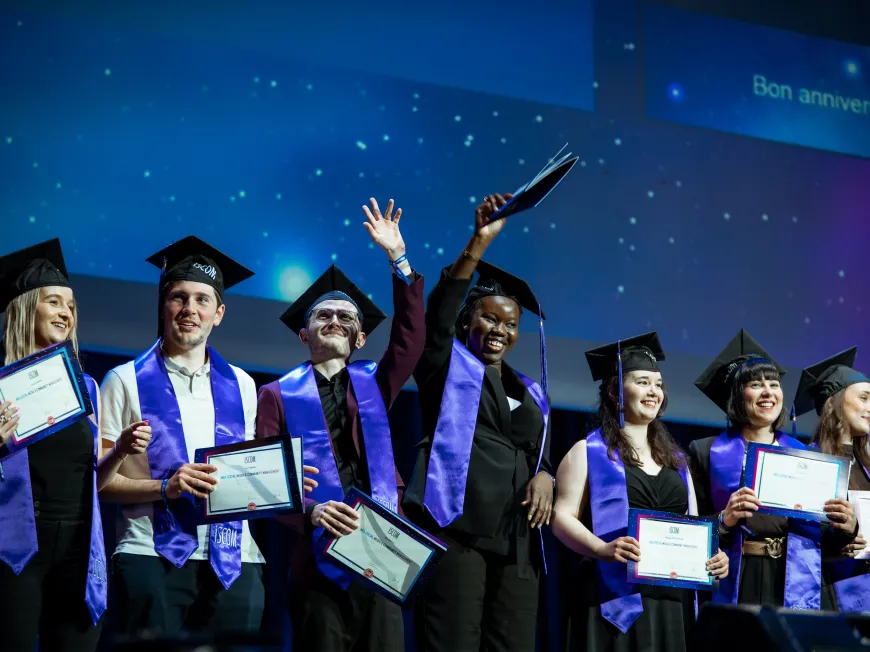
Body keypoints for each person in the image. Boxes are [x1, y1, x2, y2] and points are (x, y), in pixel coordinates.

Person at [255, 198, 424, 652]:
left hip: (382, 552)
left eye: (346, 317)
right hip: (315, 556)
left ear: (360, 337)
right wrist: (309, 511)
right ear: (304, 334)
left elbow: (410, 340)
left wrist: (398, 259)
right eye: (323, 315)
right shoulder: (275, 395)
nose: (335, 320)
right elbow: (265, 482)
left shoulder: (375, 383)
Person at [403, 193, 554, 652]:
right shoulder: (446, 367)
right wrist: (478, 243)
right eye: (489, 318)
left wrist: (546, 472)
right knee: (452, 642)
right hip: (456, 526)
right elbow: (436, 319)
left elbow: (538, 449)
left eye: (509, 325)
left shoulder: (530, 391)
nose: (499, 330)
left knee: (512, 643)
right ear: (469, 318)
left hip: (516, 538)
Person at [98, 235, 272, 635]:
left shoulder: (244, 385)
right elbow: (100, 484)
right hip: (150, 554)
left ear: (219, 313)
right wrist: (165, 488)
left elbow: (248, 472)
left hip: (234, 559)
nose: (189, 309)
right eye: (178, 297)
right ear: (163, 306)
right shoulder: (123, 380)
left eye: (202, 299)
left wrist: (284, 479)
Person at [0, 238, 149, 652]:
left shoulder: (83, 387)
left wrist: (118, 449)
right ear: (26, 307)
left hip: (79, 551)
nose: (65, 313)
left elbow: (94, 481)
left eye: (71, 305)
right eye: (53, 302)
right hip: (14, 549)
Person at [552, 332, 728, 652]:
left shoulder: (677, 462)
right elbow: (561, 516)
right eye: (643, 382)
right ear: (614, 392)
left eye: (658, 384)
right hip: (612, 598)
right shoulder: (587, 452)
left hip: (669, 599)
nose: (653, 391)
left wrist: (711, 555)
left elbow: (689, 523)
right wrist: (602, 549)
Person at [689, 329, 857, 609]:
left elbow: (826, 539)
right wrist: (724, 520)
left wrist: (847, 527)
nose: (768, 391)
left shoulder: (809, 457)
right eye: (756, 384)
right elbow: (689, 528)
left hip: (801, 578)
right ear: (736, 396)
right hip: (741, 579)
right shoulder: (705, 451)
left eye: (774, 383)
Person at [795, 348, 869, 611]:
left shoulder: (866, 466)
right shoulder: (809, 463)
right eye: (864, 398)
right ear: (833, 402)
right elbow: (803, 542)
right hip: (833, 595)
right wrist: (846, 534)